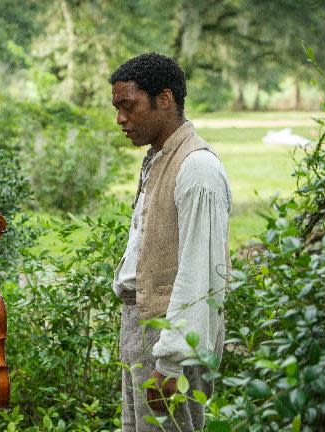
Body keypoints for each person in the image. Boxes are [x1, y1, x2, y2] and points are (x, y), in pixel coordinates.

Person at [110, 53, 231, 431]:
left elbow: (201, 275)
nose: (120, 119)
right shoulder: (160, 158)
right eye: (117, 108)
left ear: (164, 99)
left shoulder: (197, 169)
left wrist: (171, 362)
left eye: (128, 106)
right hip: (142, 328)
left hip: (167, 342)